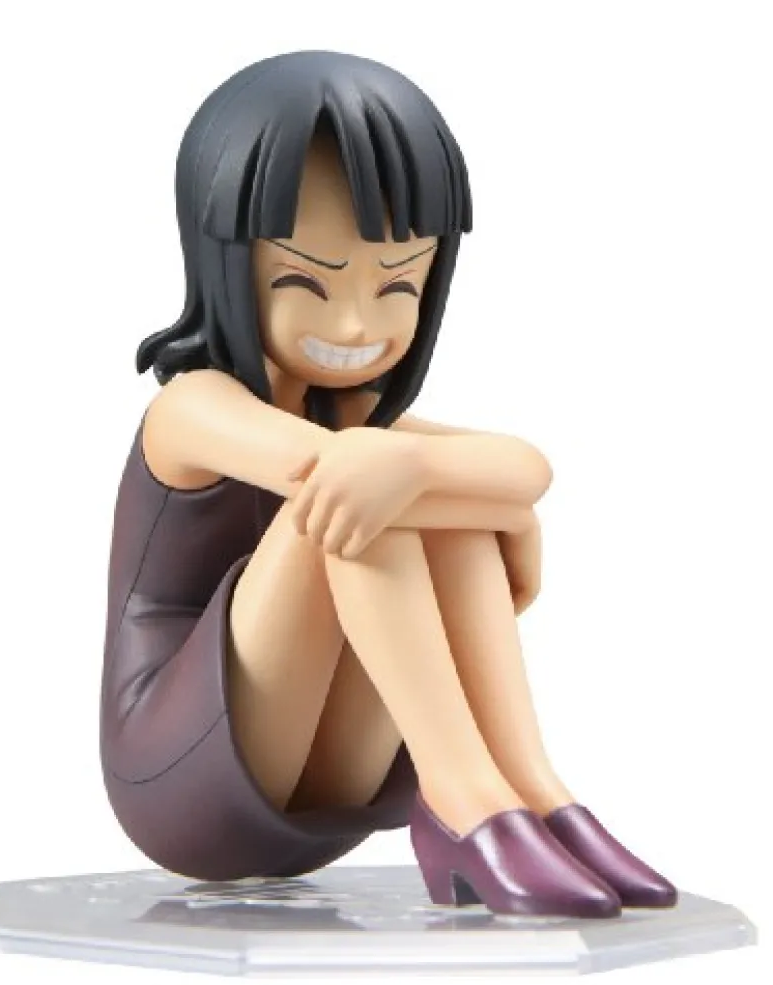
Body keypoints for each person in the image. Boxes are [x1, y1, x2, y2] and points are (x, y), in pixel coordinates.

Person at [100, 50, 676, 917]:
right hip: (180, 779)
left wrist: (493, 503)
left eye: (398, 283)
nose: (354, 324)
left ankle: (528, 788)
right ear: (226, 262)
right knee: (358, 498)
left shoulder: (357, 419)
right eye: (304, 280)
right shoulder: (192, 406)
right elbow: (331, 476)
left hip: (326, 792)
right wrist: (497, 507)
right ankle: (464, 799)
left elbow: (528, 466)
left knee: (399, 486)